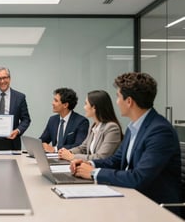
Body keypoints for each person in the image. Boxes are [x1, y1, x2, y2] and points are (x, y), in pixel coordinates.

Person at [70, 72, 182, 210]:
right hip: (131, 196)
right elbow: (115, 160)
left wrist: (94, 172)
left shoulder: (160, 131)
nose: (116, 102)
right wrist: (88, 163)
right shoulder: (134, 127)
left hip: (154, 205)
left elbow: (139, 177)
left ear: (129, 101)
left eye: (118, 97)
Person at [59, 90, 123, 161]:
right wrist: (68, 152)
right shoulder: (94, 126)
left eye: (86, 104)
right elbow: (83, 148)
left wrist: (72, 157)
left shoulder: (112, 128)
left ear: (94, 107)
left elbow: (101, 157)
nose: (84, 107)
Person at [39, 88, 89, 153]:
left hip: (70, 159)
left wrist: (55, 149)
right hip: (53, 157)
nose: (52, 103)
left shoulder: (81, 122)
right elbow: (43, 140)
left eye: (56, 101)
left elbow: (79, 145)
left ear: (65, 105)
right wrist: (39, 145)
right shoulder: (53, 120)